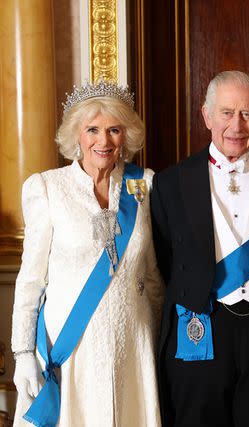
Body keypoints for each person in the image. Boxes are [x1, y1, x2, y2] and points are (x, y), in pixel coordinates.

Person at [151, 70, 249, 427]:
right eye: (226, 112)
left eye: (247, 114)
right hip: (200, 327)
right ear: (206, 115)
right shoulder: (171, 183)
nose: (236, 125)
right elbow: (164, 261)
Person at [11, 80, 163, 426]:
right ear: (76, 136)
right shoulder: (47, 188)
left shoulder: (145, 185)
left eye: (114, 129)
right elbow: (31, 281)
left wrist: (158, 345)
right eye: (92, 129)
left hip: (132, 345)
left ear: (126, 136)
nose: (103, 141)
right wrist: (22, 353)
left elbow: (152, 276)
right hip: (71, 348)